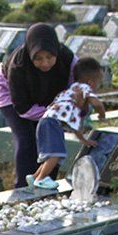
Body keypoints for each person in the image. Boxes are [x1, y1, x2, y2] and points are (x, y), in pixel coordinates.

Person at [0, 23, 76, 190]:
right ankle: (23, 188)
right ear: (30, 54)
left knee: (51, 136)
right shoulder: (18, 65)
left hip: (48, 98)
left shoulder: (68, 58)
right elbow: (22, 108)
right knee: (26, 139)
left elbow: (75, 87)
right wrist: (50, 112)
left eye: (50, 57)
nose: (45, 63)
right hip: (12, 97)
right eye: (38, 58)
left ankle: (46, 181)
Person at [27, 56, 107, 190]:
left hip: (44, 121)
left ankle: (35, 176)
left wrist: (84, 141)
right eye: (98, 83)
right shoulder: (85, 90)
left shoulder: (71, 90)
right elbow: (97, 103)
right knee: (56, 153)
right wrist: (102, 115)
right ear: (91, 82)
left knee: (50, 153)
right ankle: (41, 179)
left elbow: (76, 125)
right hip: (52, 123)